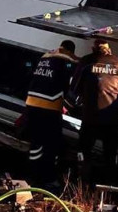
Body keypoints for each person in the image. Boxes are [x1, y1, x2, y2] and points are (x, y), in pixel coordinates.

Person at [25, 40, 78, 186]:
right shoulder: (69, 60)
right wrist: (68, 105)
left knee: (36, 142)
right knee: (51, 143)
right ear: (71, 50)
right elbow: (72, 85)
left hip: (32, 103)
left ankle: (32, 175)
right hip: (49, 106)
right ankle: (47, 178)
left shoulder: (46, 56)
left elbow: (31, 72)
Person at [77, 39, 118, 181]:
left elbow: (74, 89)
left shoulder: (86, 62)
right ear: (109, 49)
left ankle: (82, 186)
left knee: (84, 153)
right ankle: (108, 189)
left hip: (90, 118)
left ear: (93, 48)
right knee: (110, 156)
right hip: (112, 120)